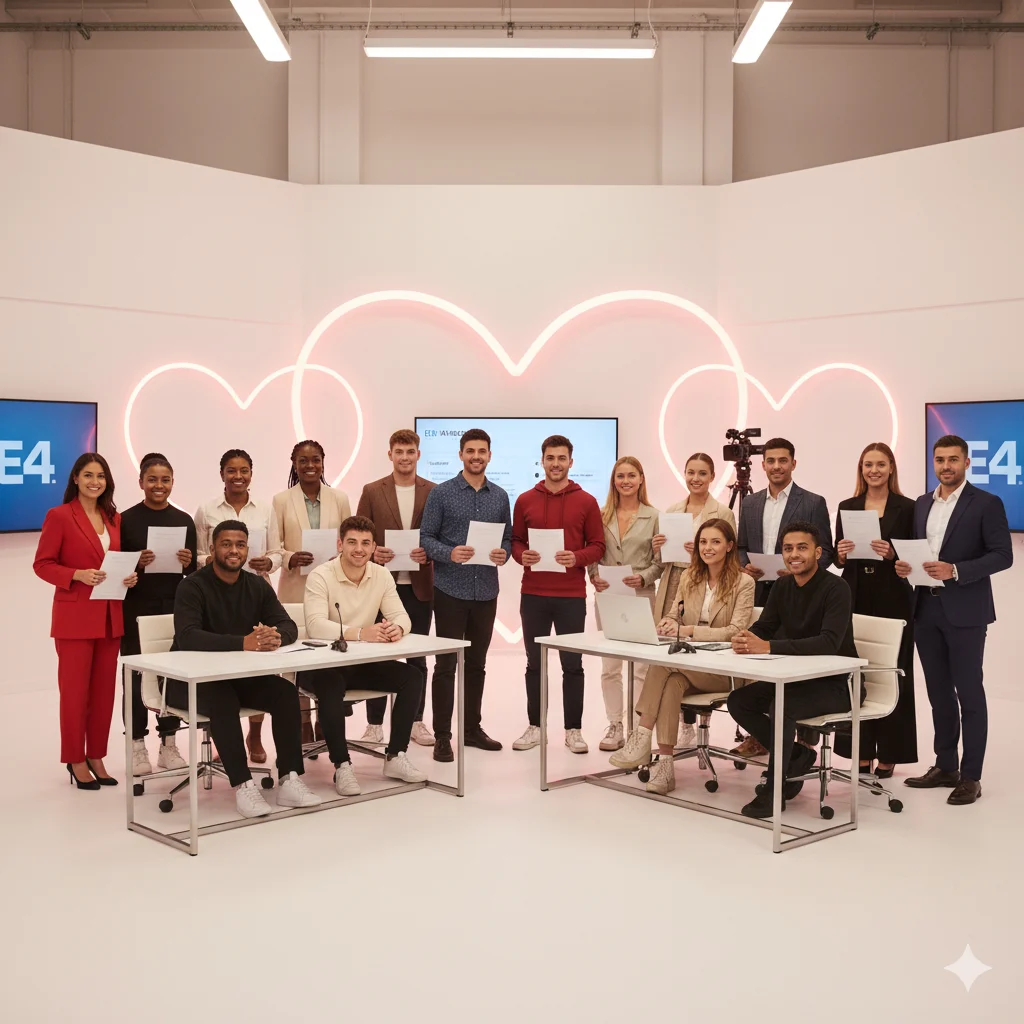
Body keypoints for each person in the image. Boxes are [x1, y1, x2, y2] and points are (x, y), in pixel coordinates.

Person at [169, 520, 322, 818]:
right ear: (212, 549)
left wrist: (276, 636)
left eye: (240, 545)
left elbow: (287, 623)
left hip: (239, 678)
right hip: (191, 682)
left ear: (247, 549)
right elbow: (188, 636)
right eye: (226, 544)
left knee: (284, 693)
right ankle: (243, 785)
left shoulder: (256, 585)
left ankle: (290, 778)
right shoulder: (192, 586)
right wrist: (244, 642)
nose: (234, 550)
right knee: (223, 700)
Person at [896, 434, 1013, 805]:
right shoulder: (920, 504)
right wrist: (905, 567)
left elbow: (1002, 555)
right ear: (933, 463)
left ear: (966, 463)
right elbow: (920, 552)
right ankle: (945, 764)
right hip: (925, 609)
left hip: (965, 612)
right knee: (938, 693)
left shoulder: (987, 503)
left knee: (970, 693)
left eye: (953, 460)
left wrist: (956, 570)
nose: (945, 466)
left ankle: (971, 776)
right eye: (940, 460)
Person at [611, 519, 756, 795]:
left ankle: (641, 737)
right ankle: (665, 764)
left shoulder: (744, 582)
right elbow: (673, 613)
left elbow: (735, 631)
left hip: (725, 671)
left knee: (664, 667)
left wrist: (688, 630)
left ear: (729, 547)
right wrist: (667, 623)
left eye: (715, 542)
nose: (708, 548)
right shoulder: (690, 577)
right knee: (673, 680)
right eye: (703, 542)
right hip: (688, 667)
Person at [726, 521, 859, 819]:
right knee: (739, 701)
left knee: (781, 706)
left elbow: (829, 642)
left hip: (837, 684)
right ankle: (798, 755)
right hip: (796, 679)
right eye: (788, 548)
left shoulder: (836, 588)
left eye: (802, 547)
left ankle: (774, 791)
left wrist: (769, 647)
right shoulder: (783, 585)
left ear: (818, 552)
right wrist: (746, 637)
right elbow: (766, 626)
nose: (794, 554)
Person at [298, 516, 429, 795]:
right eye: (352, 542)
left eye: (365, 543)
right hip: (320, 665)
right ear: (340, 544)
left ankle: (395, 756)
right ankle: (342, 765)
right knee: (331, 684)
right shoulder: (321, 575)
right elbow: (316, 625)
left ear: (373, 547)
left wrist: (396, 628)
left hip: (359, 663)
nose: (359, 549)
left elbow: (403, 617)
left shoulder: (380, 575)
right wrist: (361, 633)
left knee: (412, 677)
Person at [33, 453, 139, 789]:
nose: (96, 481)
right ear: (75, 478)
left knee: (104, 693)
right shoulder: (60, 516)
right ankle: (75, 759)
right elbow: (42, 564)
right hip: (75, 618)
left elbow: (113, 561)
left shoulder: (113, 518)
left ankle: (96, 755)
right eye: (89, 475)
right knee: (75, 693)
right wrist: (76, 574)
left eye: (102, 476)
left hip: (110, 616)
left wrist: (128, 577)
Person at [734, 437, 833, 760]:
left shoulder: (812, 502)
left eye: (782, 461)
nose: (776, 466)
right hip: (760, 591)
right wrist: (744, 565)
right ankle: (762, 735)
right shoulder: (749, 503)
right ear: (762, 465)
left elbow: (826, 550)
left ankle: (803, 741)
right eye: (771, 461)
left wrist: (798, 572)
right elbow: (739, 546)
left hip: (800, 594)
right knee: (762, 664)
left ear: (793, 463)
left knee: (798, 664)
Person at [420, 428, 512, 761]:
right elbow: (426, 539)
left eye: (482, 451)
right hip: (449, 590)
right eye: (470, 451)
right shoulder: (441, 493)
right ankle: (443, 736)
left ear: (489, 455)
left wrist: (504, 553)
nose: (476, 456)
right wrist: (449, 553)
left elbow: (508, 540)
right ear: (461, 454)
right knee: (445, 665)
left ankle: (472, 730)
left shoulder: (500, 496)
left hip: (486, 591)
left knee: (477, 665)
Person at [511, 434, 605, 754]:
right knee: (534, 664)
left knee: (572, 665)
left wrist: (577, 558)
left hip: (571, 597)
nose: (555, 464)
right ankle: (536, 727)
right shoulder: (525, 499)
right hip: (533, 593)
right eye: (550, 458)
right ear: (542, 460)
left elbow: (598, 545)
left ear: (570, 462)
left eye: (561, 458)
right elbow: (516, 541)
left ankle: (573, 730)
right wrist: (521, 555)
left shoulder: (587, 501)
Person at [833, 442, 917, 778]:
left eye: (880, 464)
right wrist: (840, 553)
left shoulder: (908, 508)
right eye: (868, 465)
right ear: (861, 469)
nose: (874, 471)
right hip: (854, 594)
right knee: (854, 673)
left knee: (893, 673)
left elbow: (914, 555)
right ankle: (860, 749)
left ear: (891, 468)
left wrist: (894, 555)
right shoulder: (847, 505)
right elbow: (839, 560)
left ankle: (892, 750)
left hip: (893, 597)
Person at [194, 448, 281, 763]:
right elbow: (198, 554)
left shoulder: (266, 510)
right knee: (223, 666)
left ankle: (254, 734)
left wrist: (269, 561)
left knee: (259, 666)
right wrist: (220, 559)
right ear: (222, 475)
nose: (238, 476)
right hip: (218, 595)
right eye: (231, 470)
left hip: (256, 592)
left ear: (251, 474)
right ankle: (223, 734)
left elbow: (278, 550)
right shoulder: (206, 510)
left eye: (244, 470)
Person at [356, 429, 436, 748]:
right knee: (376, 656)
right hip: (378, 586)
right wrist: (373, 552)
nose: (405, 457)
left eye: (410, 451)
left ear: (418, 454)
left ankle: (416, 721)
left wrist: (429, 551)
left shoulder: (434, 491)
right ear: (390, 454)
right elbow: (360, 532)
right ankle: (374, 724)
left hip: (419, 587)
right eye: (399, 451)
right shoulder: (373, 490)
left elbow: (439, 535)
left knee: (417, 657)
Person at [120, 453, 197, 777]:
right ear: (140, 482)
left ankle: (169, 744)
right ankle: (137, 745)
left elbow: (192, 573)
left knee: (170, 677)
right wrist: (135, 561)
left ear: (172, 483)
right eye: (152, 479)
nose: (159, 485)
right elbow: (115, 567)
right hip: (135, 609)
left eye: (165, 480)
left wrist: (187, 560)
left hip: (171, 609)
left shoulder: (184, 520)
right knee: (136, 677)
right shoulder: (125, 520)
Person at [651, 453, 736, 749]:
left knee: (700, 652)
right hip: (677, 579)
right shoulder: (674, 510)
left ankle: (697, 724)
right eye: (690, 472)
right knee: (673, 650)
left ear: (712, 476)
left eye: (702, 473)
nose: (695, 478)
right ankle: (677, 723)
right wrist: (659, 547)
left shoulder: (722, 511)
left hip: (707, 582)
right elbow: (661, 561)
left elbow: (727, 554)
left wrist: (699, 552)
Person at [270, 440, 351, 746]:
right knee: (297, 655)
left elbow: (350, 540)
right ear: (294, 463)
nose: (309, 466)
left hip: (332, 586)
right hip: (295, 587)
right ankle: (303, 720)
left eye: (315, 460)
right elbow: (274, 546)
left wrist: (339, 557)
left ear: (323, 462)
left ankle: (325, 719)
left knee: (330, 654)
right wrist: (291, 556)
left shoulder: (339, 498)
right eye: (302, 461)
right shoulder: (280, 500)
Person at [588, 456, 662, 752]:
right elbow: (593, 552)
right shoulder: (601, 514)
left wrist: (642, 578)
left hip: (641, 597)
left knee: (642, 668)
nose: (626, 481)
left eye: (632, 475)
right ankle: (615, 724)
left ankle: (638, 729)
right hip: (608, 596)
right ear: (613, 481)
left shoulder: (654, 515)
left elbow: (660, 563)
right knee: (610, 667)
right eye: (620, 476)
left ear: (641, 479)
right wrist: (593, 575)